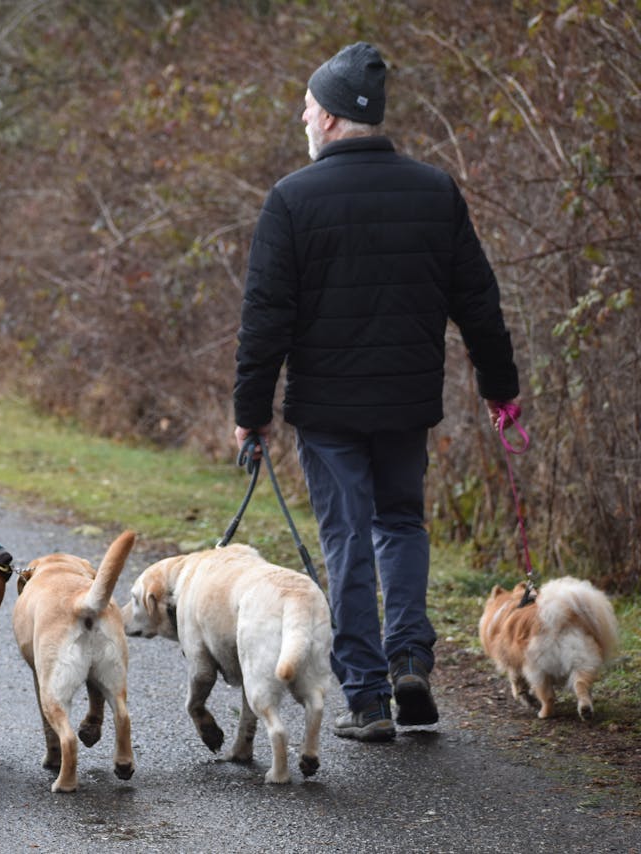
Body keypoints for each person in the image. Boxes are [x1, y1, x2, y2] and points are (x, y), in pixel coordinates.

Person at [232, 43, 520, 742]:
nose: (302, 115)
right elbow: (479, 302)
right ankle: (411, 661)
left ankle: (365, 696)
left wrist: (250, 414)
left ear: (329, 118)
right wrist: (500, 391)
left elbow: (266, 319)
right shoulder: (434, 190)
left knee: (348, 540)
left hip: (328, 411)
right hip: (406, 403)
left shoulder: (293, 199)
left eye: (307, 105)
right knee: (401, 526)